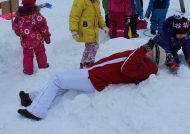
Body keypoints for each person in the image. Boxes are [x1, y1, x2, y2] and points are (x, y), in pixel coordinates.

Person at [17, 40, 167, 121]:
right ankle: (30, 98)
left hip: (94, 78)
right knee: (62, 85)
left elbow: (125, 68)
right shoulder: (141, 61)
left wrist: (141, 50)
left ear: (152, 57)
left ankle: (37, 111)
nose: (146, 50)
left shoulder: (143, 68)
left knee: (56, 79)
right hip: (92, 73)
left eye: (150, 50)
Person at [69, 0, 108, 69]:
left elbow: (99, 16)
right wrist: (73, 30)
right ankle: (89, 64)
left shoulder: (95, 2)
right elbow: (74, 15)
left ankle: (83, 63)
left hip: (92, 30)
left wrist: (103, 26)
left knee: (89, 48)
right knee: (94, 46)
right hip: (85, 29)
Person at [13, 0, 51, 75]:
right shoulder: (36, 15)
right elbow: (43, 26)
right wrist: (47, 37)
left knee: (27, 55)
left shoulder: (18, 16)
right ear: (31, 4)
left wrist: (20, 34)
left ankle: (28, 70)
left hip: (26, 41)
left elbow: (15, 27)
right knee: (40, 52)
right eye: (34, 2)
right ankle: (43, 65)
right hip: (37, 40)